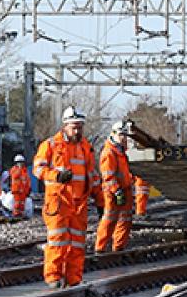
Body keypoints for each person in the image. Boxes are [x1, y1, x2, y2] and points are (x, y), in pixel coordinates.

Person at [34, 108, 95, 287]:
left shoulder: (85, 147)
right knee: (57, 241)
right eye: (74, 127)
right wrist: (56, 176)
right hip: (58, 202)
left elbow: (92, 175)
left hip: (79, 204)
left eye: (80, 127)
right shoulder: (51, 145)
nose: (77, 131)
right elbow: (37, 169)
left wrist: (100, 200)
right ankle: (53, 277)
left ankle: (73, 279)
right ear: (65, 126)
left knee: (77, 244)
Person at [94, 122, 136, 253]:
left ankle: (119, 248)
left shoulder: (121, 151)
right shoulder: (109, 152)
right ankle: (100, 249)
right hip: (113, 192)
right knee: (109, 219)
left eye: (125, 135)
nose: (123, 138)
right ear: (113, 134)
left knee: (125, 220)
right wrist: (117, 191)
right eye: (121, 134)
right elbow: (108, 176)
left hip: (125, 190)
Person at [8, 154, 33, 218]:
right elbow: (15, 176)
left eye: (21, 162)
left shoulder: (24, 171)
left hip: (24, 190)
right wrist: (19, 169)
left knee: (22, 203)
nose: (21, 164)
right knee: (17, 203)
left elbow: (27, 180)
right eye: (19, 162)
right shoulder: (14, 169)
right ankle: (16, 214)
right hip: (17, 189)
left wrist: (29, 188)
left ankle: (21, 214)